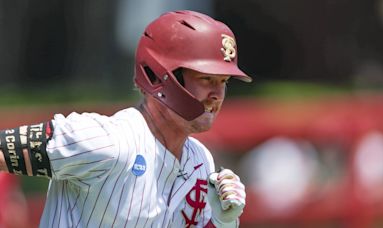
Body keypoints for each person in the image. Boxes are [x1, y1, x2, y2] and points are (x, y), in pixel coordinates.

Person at [0, 10, 250, 227]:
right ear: (160, 75)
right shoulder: (105, 141)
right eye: (206, 79)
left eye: (223, 82)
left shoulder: (199, 161)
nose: (217, 94)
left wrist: (222, 222)